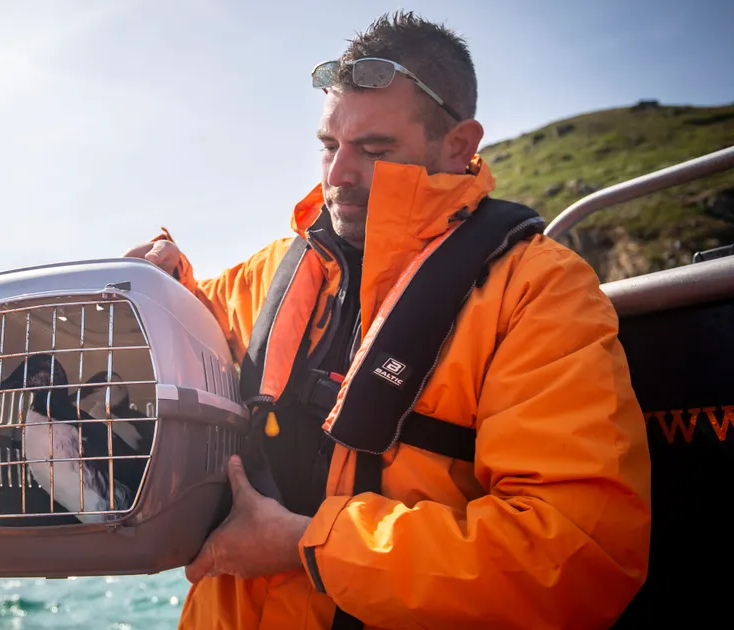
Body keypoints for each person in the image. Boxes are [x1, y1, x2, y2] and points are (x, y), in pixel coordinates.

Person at [122, 10, 652, 630]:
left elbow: (575, 555)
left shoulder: (539, 292)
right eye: (329, 146)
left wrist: (308, 545)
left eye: (374, 150)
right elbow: (194, 322)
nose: (337, 177)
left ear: (459, 145)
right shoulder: (274, 273)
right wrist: (162, 280)